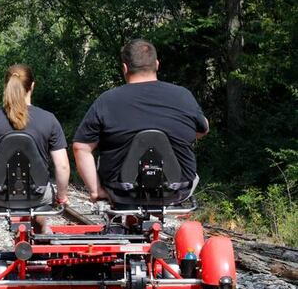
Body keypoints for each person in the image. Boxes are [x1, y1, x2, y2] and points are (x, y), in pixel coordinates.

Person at [72, 39, 210, 202]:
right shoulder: (183, 95)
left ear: (125, 68)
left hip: (121, 191)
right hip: (176, 188)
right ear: (157, 64)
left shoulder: (107, 101)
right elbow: (203, 130)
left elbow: (81, 148)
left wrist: (96, 190)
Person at [0, 64, 70, 233]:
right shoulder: (49, 119)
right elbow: (62, 166)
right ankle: (41, 225)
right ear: (32, 86)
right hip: (37, 195)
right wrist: (62, 197)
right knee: (44, 196)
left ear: (6, 85)